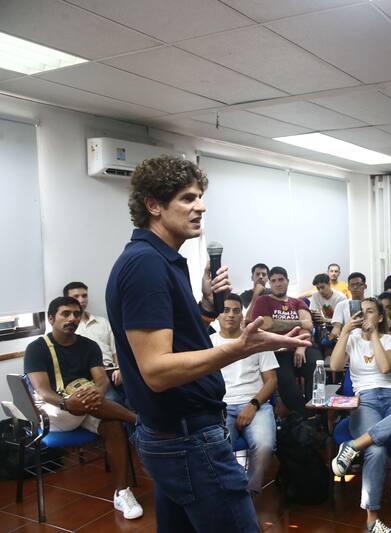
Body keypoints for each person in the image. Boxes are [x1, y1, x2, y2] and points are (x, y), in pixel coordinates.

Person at [105, 156, 309, 531]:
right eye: (187, 198)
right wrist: (242, 347)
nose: (201, 206)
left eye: (200, 196)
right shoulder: (145, 265)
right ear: (153, 205)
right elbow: (156, 371)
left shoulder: (165, 261)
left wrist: (200, 305)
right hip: (186, 439)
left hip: (178, 432)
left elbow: (175, 340)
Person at [25, 296, 142, 519]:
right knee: (81, 402)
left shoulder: (89, 346)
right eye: (65, 314)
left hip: (85, 407)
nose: (72, 318)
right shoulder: (37, 348)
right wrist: (66, 402)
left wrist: (97, 392)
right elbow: (43, 391)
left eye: (76, 314)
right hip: (54, 411)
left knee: (114, 426)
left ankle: (122, 492)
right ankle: (140, 421)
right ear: (51, 318)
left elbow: (101, 380)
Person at [329, 298, 391, 533]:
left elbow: (384, 367)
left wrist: (373, 337)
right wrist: (346, 331)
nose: (364, 316)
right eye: (360, 313)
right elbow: (335, 366)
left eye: (370, 312)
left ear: (380, 317)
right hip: (366, 401)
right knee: (377, 450)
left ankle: (353, 446)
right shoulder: (351, 340)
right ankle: (372, 521)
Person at [211, 294, 278, 493]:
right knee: (217, 448)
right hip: (220, 406)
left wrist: (252, 405)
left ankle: (249, 491)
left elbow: (272, 380)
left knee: (265, 446)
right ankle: (228, 488)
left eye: (236, 310)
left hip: (256, 404)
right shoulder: (207, 344)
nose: (230, 315)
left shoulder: (257, 341)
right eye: (225, 310)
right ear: (218, 316)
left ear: (243, 315)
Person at [250, 266, 323, 415]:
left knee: (317, 369)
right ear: (269, 283)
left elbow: (307, 325)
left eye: (281, 279)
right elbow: (267, 324)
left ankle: (315, 411)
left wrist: (300, 347)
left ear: (287, 281)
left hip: (301, 346)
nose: (278, 283)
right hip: (277, 350)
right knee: (285, 380)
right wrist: (299, 323)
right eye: (274, 280)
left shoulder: (298, 302)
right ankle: (304, 416)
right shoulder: (263, 301)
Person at [63, 281, 123, 403]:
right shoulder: (67, 327)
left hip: (113, 371)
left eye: (84, 295)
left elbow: (115, 350)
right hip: (90, 377)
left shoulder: (102, 322)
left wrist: (120, 369)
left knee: (141, 394)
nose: (82, 299)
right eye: (76, 296)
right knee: (113, 400)